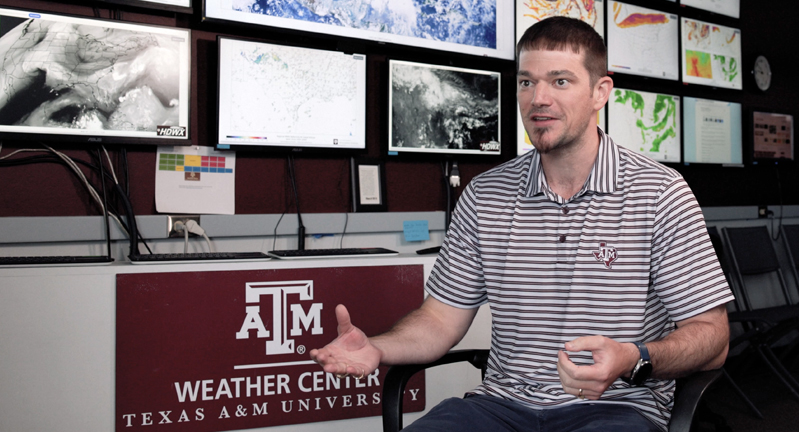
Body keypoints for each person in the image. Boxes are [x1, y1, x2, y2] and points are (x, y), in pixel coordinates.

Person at [310, 16, 733, 432]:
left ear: (600, 92)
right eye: (526, 82)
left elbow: (712, 338)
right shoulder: (485, 195)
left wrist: (633, 357)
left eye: (560, 81)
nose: (538, 99)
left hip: (614, 409)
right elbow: (440, 321)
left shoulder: (659, 193)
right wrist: (377, 347)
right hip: (501, 406)